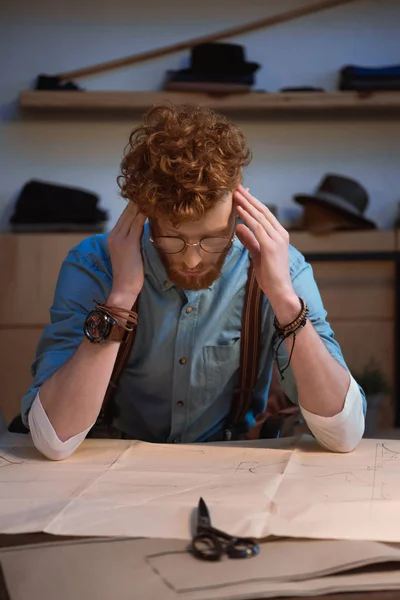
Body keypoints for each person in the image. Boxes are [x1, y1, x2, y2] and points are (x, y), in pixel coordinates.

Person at [21, 104, 366, 460]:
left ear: (238, 208)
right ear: (145, 214)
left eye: (213, 238)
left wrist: (282, 297)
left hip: (230, 468)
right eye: (172, 238)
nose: (192, 260)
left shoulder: (282, 267)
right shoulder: (94, 265)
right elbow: (53, 439)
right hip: (114, 467)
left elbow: (344, 434)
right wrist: (120, 299)